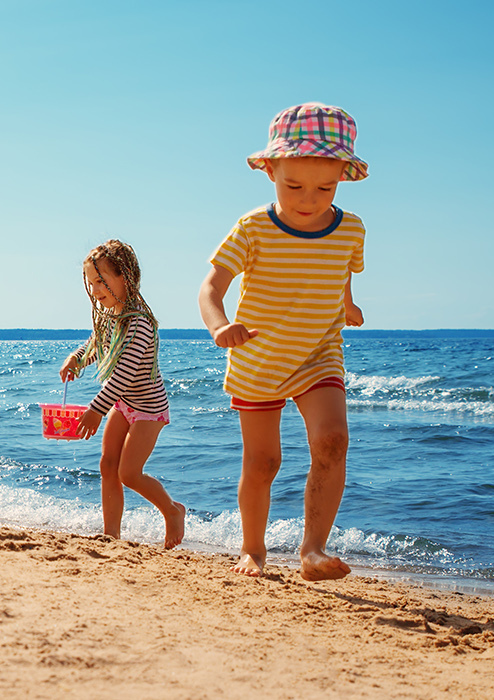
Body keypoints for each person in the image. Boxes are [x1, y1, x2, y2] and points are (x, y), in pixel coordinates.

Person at [198, 102, 369, 581]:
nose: (310, 199)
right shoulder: (254, 227)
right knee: (263, 461)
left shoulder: (351, 229)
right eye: (294, 185)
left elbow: (340, 276)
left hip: (318, 352)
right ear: (270, 169)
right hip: (259, 357)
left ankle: (313, 549)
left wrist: (348, 305)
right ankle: (252, 549)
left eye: (325, 187)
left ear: (343, 176)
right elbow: (209, 287)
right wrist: (219, 326)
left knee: (333, 441)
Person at [59, 239, 187, 549]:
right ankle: (111, 535)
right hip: (123, 402)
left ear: (125, 277)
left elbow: (123, 373)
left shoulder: (139, 322)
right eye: (92, 283)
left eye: (102, 280)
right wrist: (76, 359)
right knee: (107, 465)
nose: (96, 288)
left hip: (148, 409)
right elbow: (95, 346)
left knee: (129, 473)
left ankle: (172, 511)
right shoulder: (108, 317)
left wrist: (96, 409)